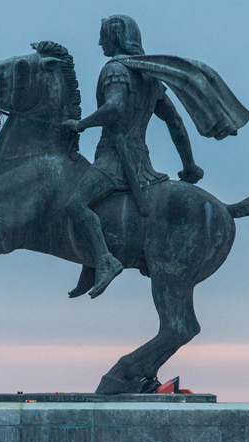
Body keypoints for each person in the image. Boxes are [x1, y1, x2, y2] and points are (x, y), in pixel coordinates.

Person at [60, 14, 204, 300]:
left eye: (103, 36)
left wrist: (80, 124)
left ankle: (103, 260)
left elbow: (114, 107)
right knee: (92, 200)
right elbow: (174, 121)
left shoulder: (115, 69)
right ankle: (91, 262)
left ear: (116, 37)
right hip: (143, 164)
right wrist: (189, 165)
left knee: (75, 203)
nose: (100, 41)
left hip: (115, 161)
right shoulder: (148, 76)